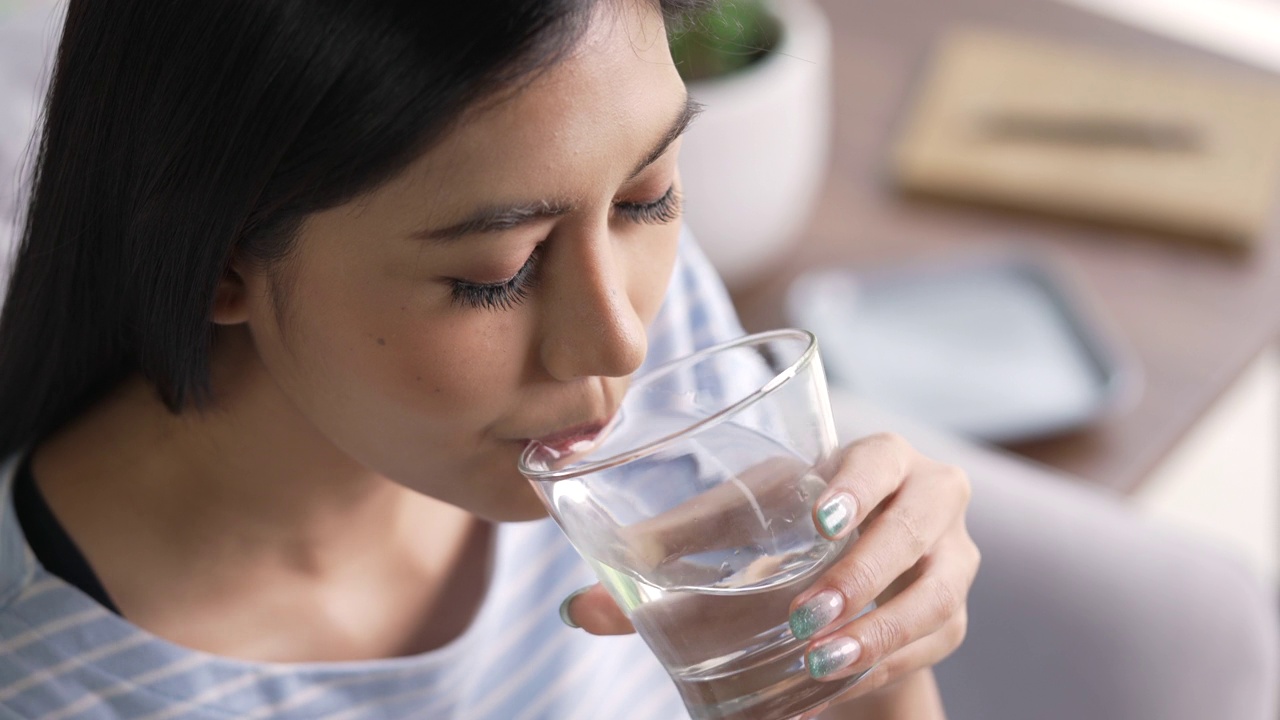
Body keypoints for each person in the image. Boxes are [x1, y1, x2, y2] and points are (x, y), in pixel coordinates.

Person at [0, 1, 978, 718]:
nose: (617, 340)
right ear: (220, 265)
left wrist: (867, 648)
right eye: (497, 274)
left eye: (645, 197)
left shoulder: (649, 326)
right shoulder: (51, 684)